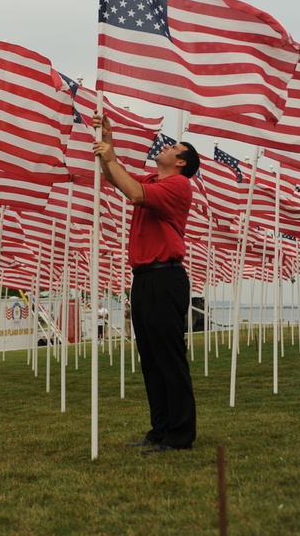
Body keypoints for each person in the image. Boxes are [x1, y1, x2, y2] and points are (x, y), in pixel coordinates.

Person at [93, 113, 199, 455]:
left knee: (168, 356)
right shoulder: (155, 179)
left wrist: (111, 155)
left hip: (165, 276)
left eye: (174, 147)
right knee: (151, 358)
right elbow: (117, 178)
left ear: (181, 162)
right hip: (144, 278)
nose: (166, 146)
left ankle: (180, 434)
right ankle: (161, 430)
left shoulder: (178, 185)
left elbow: (136, 195)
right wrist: (108, 140)